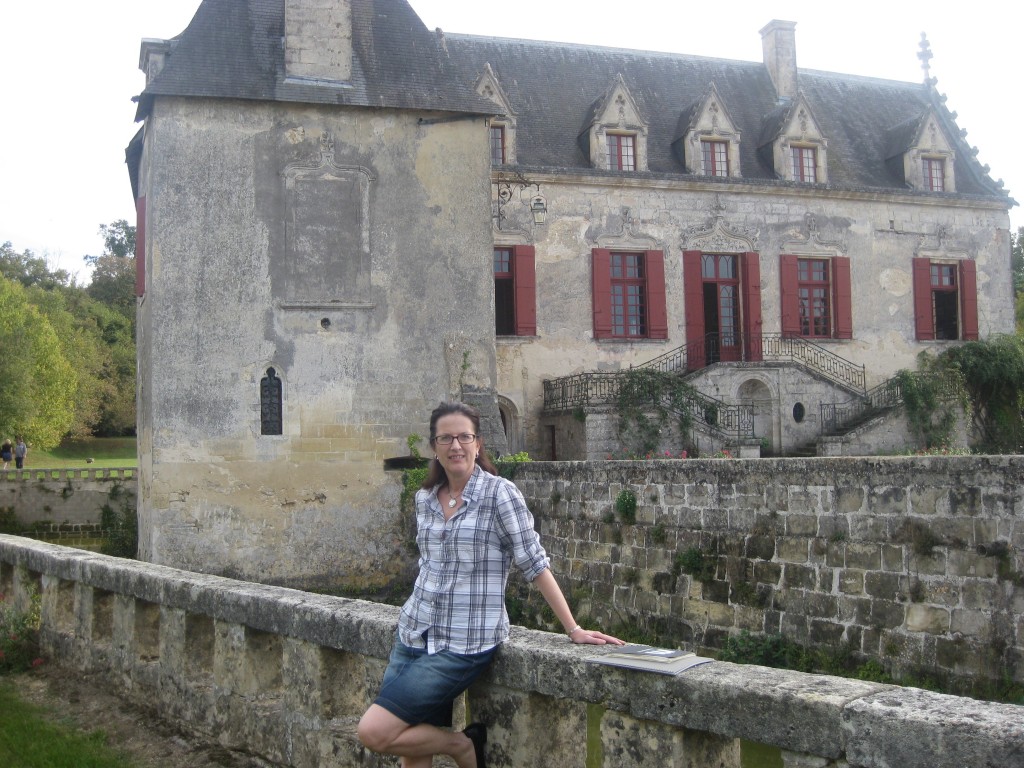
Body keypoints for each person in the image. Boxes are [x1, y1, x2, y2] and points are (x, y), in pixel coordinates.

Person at [357, 402, 622, 768]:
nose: (456, 446)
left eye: (464, 437)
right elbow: (429, 567)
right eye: (446, 438)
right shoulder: (424, 499)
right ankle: (459, 744)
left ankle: (461, 746)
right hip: (414, 632)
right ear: (434, 446)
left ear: (478, 444)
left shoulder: (500, 494)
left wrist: (573, 628)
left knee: (374, 731)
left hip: (463, 643)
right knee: (412, 756)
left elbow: (534, 563)